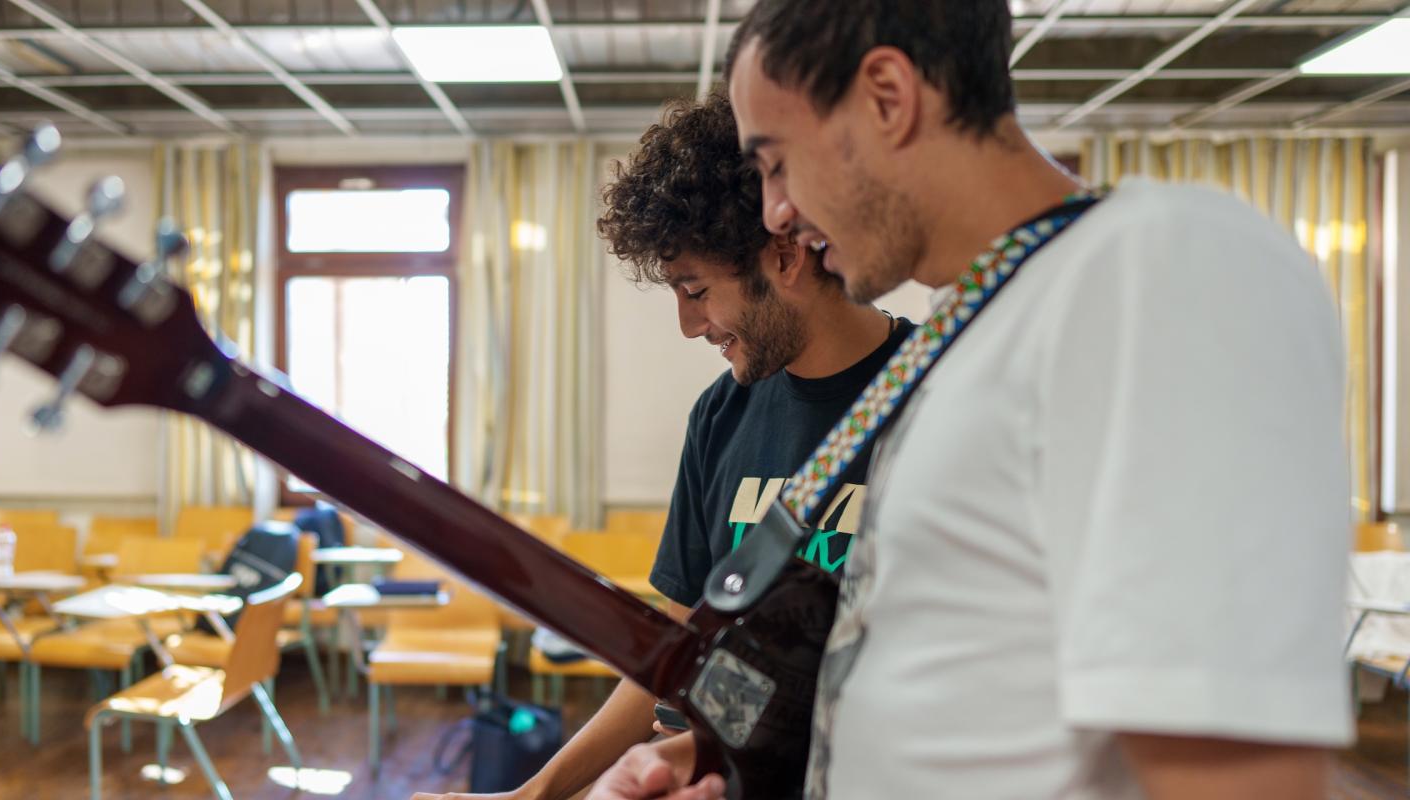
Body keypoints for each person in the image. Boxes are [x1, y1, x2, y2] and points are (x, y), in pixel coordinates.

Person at [591, 2, 1352, 799]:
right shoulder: (962, 339)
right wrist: (740, 765)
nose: (776, 212)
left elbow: (1236, 777)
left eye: (778, 163)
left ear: (888, 96)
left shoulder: (1151, 269)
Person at [413, 91, 912, 800]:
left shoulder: (935, 403)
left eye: (696, 289)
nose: (688, 324)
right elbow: (668, 653)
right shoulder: (722, 415)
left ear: (784, 257)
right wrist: (537, 794)